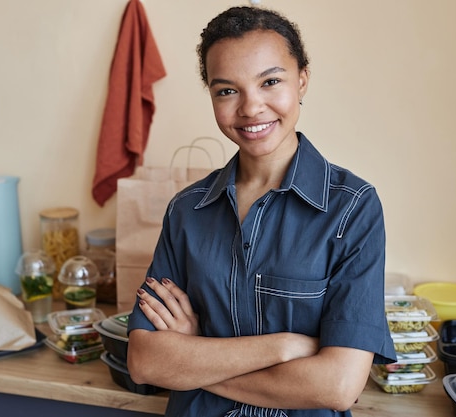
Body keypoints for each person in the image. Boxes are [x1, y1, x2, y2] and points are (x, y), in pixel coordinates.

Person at [127, 6, 396, 417]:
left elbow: (338, 386)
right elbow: (146, 362)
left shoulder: (352, 209)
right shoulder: (187, 210)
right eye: (226, 90)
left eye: (270, 81)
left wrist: (193, 358)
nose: (251, 108)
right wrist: (284, 347)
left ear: (303, 79)